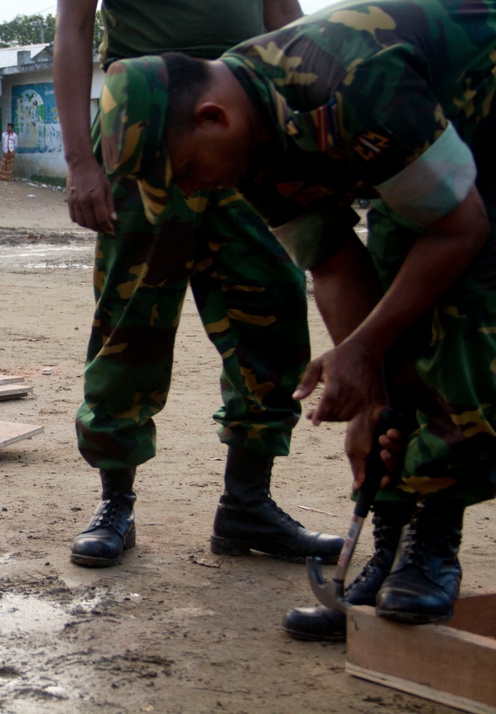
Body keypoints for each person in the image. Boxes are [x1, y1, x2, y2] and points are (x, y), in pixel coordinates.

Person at [99, 0, 496, 630]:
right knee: (393, 333)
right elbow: (335, 264)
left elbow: (459, 226)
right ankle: (386, 545)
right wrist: (371, 400)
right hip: (422, 152)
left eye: (190, 171)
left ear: (212, 117)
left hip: (482, 127)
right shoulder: (246, 144)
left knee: (460, 319)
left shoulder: (355, 82)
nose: (196, 191)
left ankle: (434, 542)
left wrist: (364, 353)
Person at [54, 0, 342, 569]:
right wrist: (80, 162)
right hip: (146, 119)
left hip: (250, 116)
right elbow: (74, 27)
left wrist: (308, 134)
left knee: (272, 309)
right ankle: (116, 505)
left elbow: (287, 21)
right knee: (129, 321)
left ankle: (247, 504)